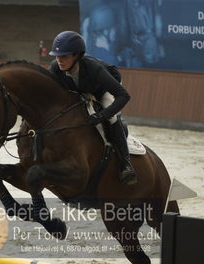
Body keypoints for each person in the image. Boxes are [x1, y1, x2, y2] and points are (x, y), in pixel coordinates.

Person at [48, 31, 137, 185]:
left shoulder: (93, 68)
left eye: (64, 56)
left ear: (76, 55)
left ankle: (126, 165)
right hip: (81, 89)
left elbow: (124, 96)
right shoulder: (55, 68)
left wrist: (101, 115)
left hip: (104, 87)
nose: (59, 60)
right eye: (57, 56)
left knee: (111, 117)